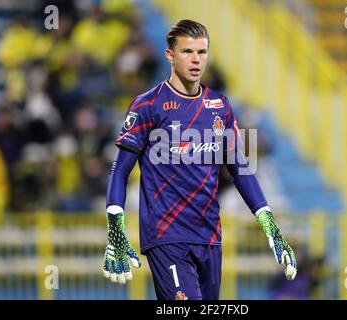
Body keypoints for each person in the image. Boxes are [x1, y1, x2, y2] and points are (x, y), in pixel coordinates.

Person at [102, 19, 297, 300]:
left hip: (209, 236)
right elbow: (120, 169)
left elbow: (239, 168)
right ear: (170, 55)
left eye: (201, 52)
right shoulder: (147, 104)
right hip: (166, 235)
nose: (196, 60)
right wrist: (115, 227)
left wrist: (269, 223)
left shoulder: (220, 106)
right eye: (187, 52)